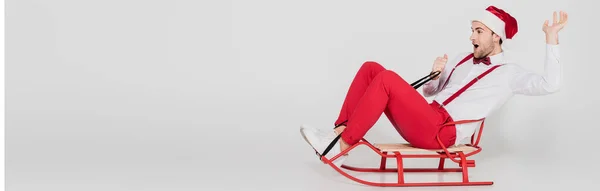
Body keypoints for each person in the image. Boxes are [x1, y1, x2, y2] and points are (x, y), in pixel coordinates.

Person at [300, 5, 568, 167]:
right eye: (472, 30)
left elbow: (550, 84)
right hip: (428, 116)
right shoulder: (462, 59)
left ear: (496, 36)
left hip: (441, 132)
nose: (471, 36)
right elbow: (431, 93)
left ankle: (342, 145)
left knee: (387, 78)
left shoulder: (509, 73)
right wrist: (435, 75)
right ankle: (337, 134)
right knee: (373, 68)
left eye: (478, 31)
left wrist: (551, 39)